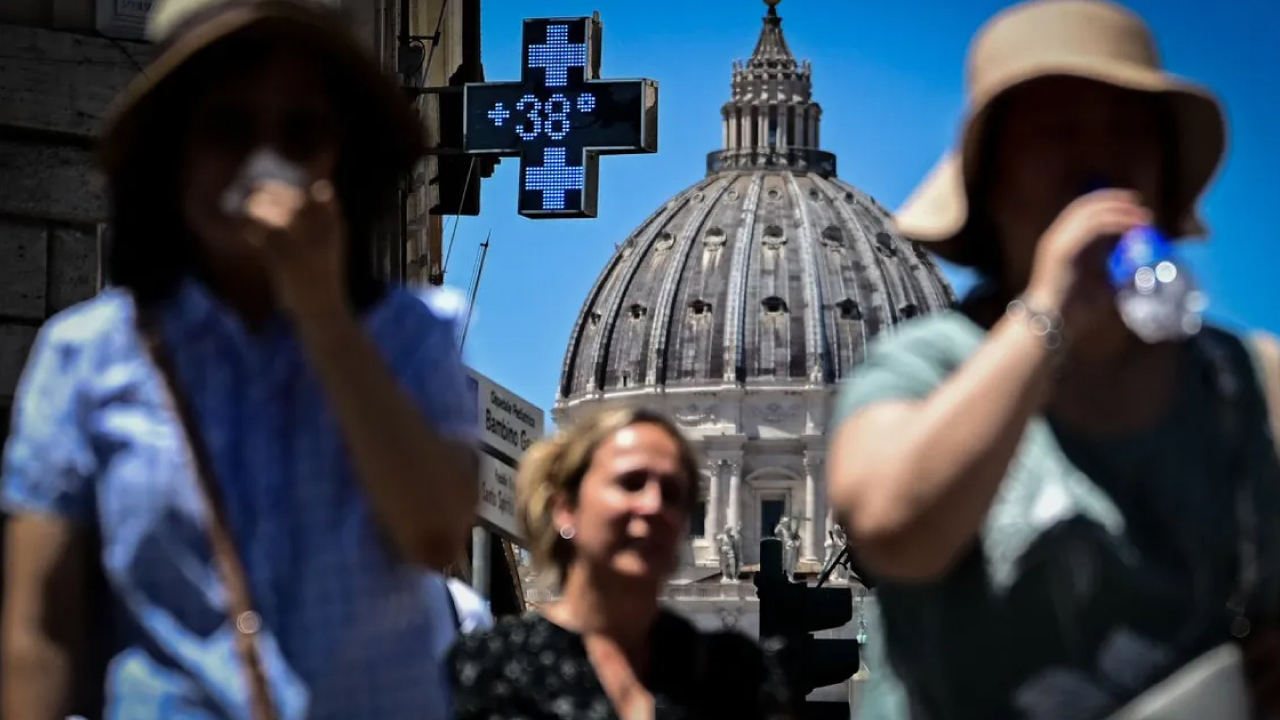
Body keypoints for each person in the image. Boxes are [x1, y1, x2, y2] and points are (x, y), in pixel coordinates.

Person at [0, 0, 482, 718]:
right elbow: (41, 627)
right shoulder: (88, 355)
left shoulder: (414, 333)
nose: (265, 161)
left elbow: (436, 529)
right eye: (229, 129)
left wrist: (322, 311)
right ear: (174, 153)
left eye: (301, 132)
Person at [825, 1, 1280, 719]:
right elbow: (892, 528)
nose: (1095, 160)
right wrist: (1049, 314)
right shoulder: (920, 364)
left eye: (1129, 131)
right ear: (992, 180)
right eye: (1058, 131)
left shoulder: (1247, 382)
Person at [449, 405, 795, 720]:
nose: (653, 505)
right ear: (565, 508)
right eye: (631, 483)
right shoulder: (490, 669)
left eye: (673, 493)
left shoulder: (739, 676)